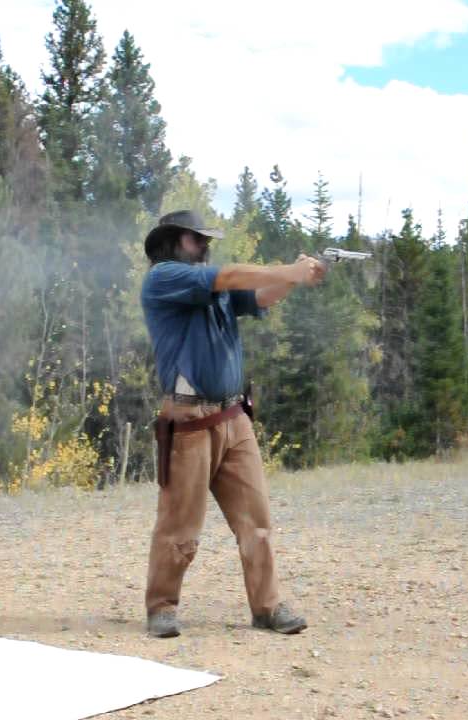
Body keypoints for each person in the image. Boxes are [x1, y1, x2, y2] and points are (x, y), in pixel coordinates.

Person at [140, 209, 326, 638]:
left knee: (256, 521)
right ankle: (162, 608)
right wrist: (289, 269)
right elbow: (229, 277)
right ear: (171, 242)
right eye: (195, 238)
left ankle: (267, 607)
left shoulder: (213, 284)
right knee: (179, 525)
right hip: (188, 420)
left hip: (232, 417)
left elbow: (261, 295)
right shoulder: (165, 277)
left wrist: (297, 278)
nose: (204, 245)